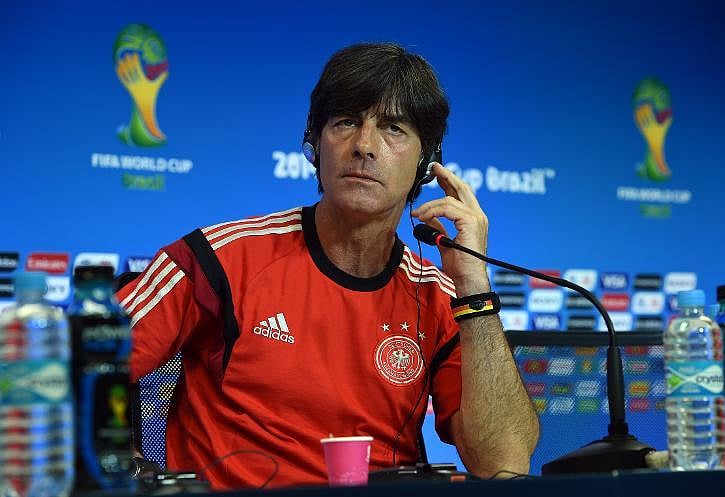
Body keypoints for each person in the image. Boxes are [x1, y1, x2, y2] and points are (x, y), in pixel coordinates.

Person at [117, 42, 539, 489]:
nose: (364, 146)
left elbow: (504, 464)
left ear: (425, 164)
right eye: (346, 122)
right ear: (315, 145)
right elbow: (74, 375)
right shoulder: (218, 260)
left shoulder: (441, 298)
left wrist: (473, 286)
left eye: (393, 128)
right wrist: (123, 470)